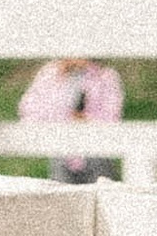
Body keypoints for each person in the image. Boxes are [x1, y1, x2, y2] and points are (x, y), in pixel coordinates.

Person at [15, 53, 124, 185]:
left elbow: (112, 115)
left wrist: (86, 119)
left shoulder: (105, 76)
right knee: (62, 196)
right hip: (61, 148)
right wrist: (58, 78)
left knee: (100, 192)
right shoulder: (50, 75)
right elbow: (29, 111)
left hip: (95, 149)